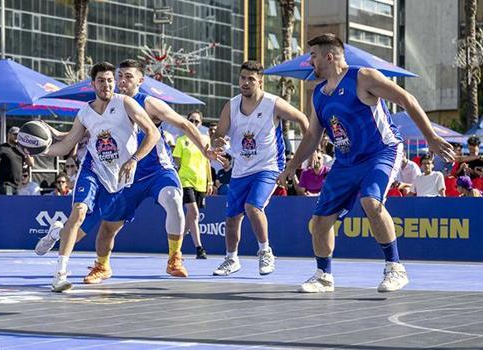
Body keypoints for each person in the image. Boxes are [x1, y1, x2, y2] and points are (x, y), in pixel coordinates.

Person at [278, 33, 454, 293]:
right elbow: (313, 135)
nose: (309, 62)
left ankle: (395, 268)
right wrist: (292, 165)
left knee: (371, 202)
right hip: (346, 161)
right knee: (319, 222)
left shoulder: (363, 77)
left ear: (329, 55)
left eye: (313, 56)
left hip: (381, 151)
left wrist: (431, 137)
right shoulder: (319, 94)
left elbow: (408, 100)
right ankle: (323, 276)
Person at [36, 59, 223, 284]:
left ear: (140, 81)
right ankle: (97, 262)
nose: (122, 80)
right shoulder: (105, 105)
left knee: (174, 199)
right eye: (120, 76)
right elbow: (88, 129)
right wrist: (53, 136)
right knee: (103, 229)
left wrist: (205, 149)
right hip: (123, 176)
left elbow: (184, 124)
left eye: (128, 77)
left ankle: (175, 258)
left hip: (156, 171)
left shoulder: (148, 103)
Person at [37, 61, 160, 292]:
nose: (107, 84)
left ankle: (56, 232)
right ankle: (59, 275)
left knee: (77, 233)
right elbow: (66, 146)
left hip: (118, 181)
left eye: (111, 80)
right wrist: (39, 150)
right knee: (79, 212)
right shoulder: (85, 112)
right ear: (93, 84)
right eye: (101, 80)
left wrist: (134, 160)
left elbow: (153, 134)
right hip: (93, 170)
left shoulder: (126, 103)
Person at [212, 60, 309, 277]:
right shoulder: (232, 105)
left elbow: (302, 118)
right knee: (231, 219)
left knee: (253, 206)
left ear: (260, 82)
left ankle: (265, 252)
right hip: (240, 168)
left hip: (269, 166)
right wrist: (217, 143)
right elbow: (219, 134)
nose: (245, 82)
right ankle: (231, 259)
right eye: (243, 78)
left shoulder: (273, 103)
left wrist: (310, 148)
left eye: (251, 79)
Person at [173, 110, 213, 259]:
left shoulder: (205, 140)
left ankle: (176, 248)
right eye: (191, 120)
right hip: (185, 181)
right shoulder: (181, 140)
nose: (194, 123)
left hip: (200, 182)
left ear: (201, 123)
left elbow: (207, 162)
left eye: (197, 121)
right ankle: (199, 248)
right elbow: (176, 164)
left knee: (191, 217)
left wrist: (210, 181)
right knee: (194, 213)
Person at [0, 126, 34, 195]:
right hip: (6, 185)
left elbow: (31, 164)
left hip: (18, 186)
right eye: (15, 134)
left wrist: (27, 152)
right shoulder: (2, 148)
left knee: (16, 205)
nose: (17, 137)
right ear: (9, 134)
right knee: (8, 204)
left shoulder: (21, 149)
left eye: (19, 135)